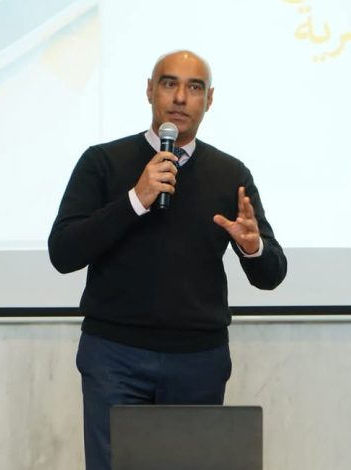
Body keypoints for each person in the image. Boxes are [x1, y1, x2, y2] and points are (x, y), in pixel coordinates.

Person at [48, 50, 287, 470]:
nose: (180, 97)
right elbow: (63, 252)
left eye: (194, 87)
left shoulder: (231, 174)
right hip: (114, 356)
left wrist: (253, 247)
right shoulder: (102, 162)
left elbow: (272, 274)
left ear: (209, 100)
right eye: (169, 83)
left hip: (198, 359)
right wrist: (134, 200)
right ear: (149, 91)